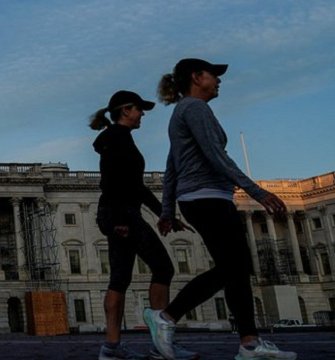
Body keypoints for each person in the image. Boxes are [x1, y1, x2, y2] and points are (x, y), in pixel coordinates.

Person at [144, 59, 296, 360]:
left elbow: (171, 167)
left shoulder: (181, 112)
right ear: (197, 77)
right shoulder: (195, 109)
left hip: (200, 197)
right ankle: (167, 316)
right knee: (233, 268)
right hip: (207, 196)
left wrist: (166, 211)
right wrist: (256, 190)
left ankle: (249, 343)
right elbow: (215, 155)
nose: (219, 81)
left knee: (237, 269)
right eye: (214, 75)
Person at [90, 90, 197, 360]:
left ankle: (111, 347)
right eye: (139, 109)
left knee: (120, 279)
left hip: (115, 211)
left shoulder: (116, 138)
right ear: (125, 110)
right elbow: (115, 180)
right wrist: (122, 220)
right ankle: (163, 343)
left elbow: (135, 186)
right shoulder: (118, 138)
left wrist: (164, 214)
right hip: (121, 211)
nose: (142, 114)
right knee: (163, 267)